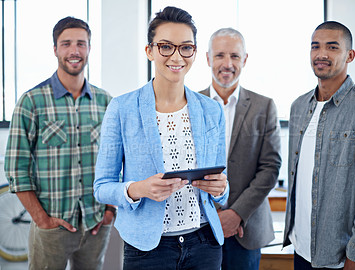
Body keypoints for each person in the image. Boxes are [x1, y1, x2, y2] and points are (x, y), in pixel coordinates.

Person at [93, 6, 228, 270]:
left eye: (185, 47)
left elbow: (222, 186)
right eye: (166, 46)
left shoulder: (212, 110)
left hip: (204, 244)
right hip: (147, 249)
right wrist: (138, 189)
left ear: (194, 53)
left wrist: (221, 189)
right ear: (150, 50)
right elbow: (101, 187)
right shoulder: (123, 108)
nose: (176, 56)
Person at [4, 17, 113, 270]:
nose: (74, 51)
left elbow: (118, 160)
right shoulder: (31, 102)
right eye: (66, 44)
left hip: (96, 223)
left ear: (89, 48)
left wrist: (110, 211)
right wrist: (41, 219)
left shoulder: (105, 102)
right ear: (55, 49)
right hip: (51, 227)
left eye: (81, 44)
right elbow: (16, 168)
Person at [283, 21, 355, 270]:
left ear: (349, 55)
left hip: (344, 258)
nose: (321, 54)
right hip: (302, 252)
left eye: (332, 47)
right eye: (315, 47)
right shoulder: (298, 107)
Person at [199, 28, 282, 270]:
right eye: (220, 55)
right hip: (200, 226)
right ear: (207, 58)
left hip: (246, 228)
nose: (227, 64)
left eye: (235, 56)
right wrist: (214, 214)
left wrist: (235, 214)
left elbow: (270, 168)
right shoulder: (191, 103)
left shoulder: (264, 106)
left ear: (245, 59)